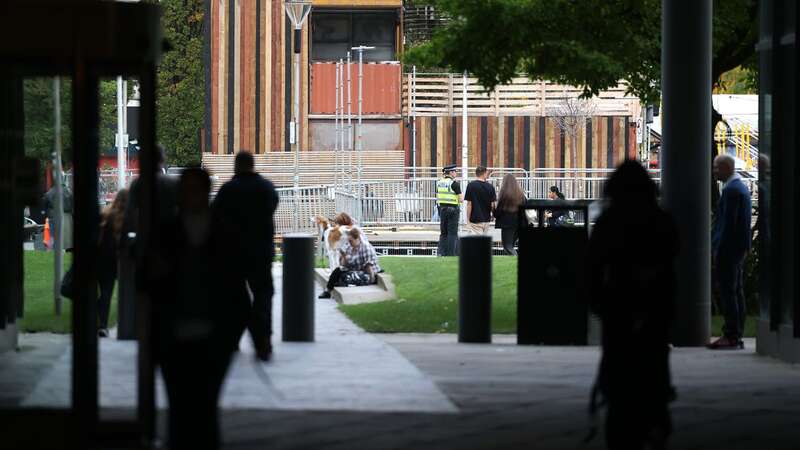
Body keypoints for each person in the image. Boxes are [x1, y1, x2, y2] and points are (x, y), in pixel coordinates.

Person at [587, 160, 678, 450]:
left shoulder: (609, 221)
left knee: (617, 360)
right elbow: (674, 255)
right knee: (654, 357)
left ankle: (622, 420)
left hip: (618, 303)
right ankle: (656, 414)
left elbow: (592, 265)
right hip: (655, 302)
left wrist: (597, 302)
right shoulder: (660, 219)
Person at [157, 168, 231, 450]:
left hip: (213, 332)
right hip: (174, 331)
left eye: (195, 190)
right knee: (178, 404)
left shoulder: (223, 231)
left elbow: (234, 284)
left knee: (206, 404)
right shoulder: (166, 232)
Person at [212, 151, 279, 361]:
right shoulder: (266, 188)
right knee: (263, 295)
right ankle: (264, 339)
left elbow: (215, 218)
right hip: (261, 252)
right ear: (252, 164)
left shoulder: (228, 190)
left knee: (235, 298)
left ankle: (234, 340)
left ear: (236, 166)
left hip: (233, 254)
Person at [709, 154, 752, 350]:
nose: (714, 172)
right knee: (736, 291)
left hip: (728, 251)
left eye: (716, 168)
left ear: (726, 168)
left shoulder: (731, 191)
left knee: (728, 292)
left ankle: (731, 334)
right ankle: (736, 333)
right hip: (736, 250)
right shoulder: (739, 188)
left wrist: (717, 249)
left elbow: (727, 225)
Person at [96, 189, 128, 337]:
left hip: (101, 259)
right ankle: (105, 324)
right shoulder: (127, 218)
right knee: (112, 293)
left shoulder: (105, 214)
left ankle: (101, 323)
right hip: (116, 261)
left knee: (104, 293)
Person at [318, 227, 381, 299]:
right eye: (349, 241)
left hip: (367, 273)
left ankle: (338, 286)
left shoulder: (365, 247)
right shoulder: (350, 247)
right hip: (356, 270)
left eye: (351, 241)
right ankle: (327, 291)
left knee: (347, 277)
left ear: (357, 238)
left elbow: (369, 266)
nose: (349, 243)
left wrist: (371, 280)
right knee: (337, 271)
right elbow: (344, 265)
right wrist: (343, 256)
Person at [493, 174, 526, 255]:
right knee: (510, 246)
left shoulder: (504, 196)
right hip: (520, 223)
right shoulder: (521, 195)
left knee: (507, 246)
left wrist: (493, 208)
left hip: (507, 224)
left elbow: (498, 213)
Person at [436, 164, 462, 256]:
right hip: (453, 209)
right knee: (452, 233)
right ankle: (451, 254)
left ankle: (440, 252)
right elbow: (461, 199)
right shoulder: (455, 184)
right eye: (455, 171)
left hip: (442, 209)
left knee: (443, 233)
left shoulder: (439, 182)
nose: (456, 173)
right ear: (451, 173)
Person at [464, 166, 496, 235]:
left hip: (475, 219)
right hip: (486, 219)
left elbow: (469, 204)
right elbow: (493, 204)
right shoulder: (490, 187)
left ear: (476, 174)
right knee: (483, 242)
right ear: (484, 174)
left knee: (476, 242)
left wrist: (468, 220)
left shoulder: (471, 186)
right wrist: (493, 215)